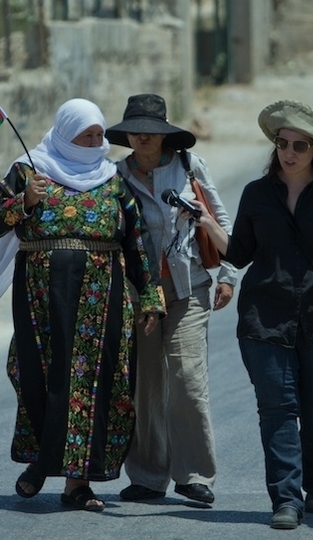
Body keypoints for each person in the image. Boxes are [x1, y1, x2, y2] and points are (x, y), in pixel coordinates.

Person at [192, 99, 313, 529]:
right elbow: (240, 253)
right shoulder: (257, 194)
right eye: (282, 143)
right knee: (277, 409)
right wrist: (207, 222)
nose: (289, 152)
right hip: (264, 316)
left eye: (299, 145)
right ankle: (286, 499)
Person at [0, 98, 165, 512]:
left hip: (102, 296)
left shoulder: (113, 180)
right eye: (86, 136)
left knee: (93, 384)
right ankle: (41, 462)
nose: (95, 142)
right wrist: (23, 202)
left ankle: (78, 483)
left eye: (99, 135)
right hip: (41, 297)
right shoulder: (30, 170)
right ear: (64, 135)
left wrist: (150, 295)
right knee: (41, 374)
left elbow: (136, 241)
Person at [104, 93, 238, 505]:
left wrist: (228, 275)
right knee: (145, 387)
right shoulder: (114, 176)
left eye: (150, 131)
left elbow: (219, 218)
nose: (142, 137)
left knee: (187, 379)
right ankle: (147, 477)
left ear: (164, 135)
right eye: (135, 131)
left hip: (188, 289)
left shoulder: (189, 166)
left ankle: (194, 475)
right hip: (138, 296)